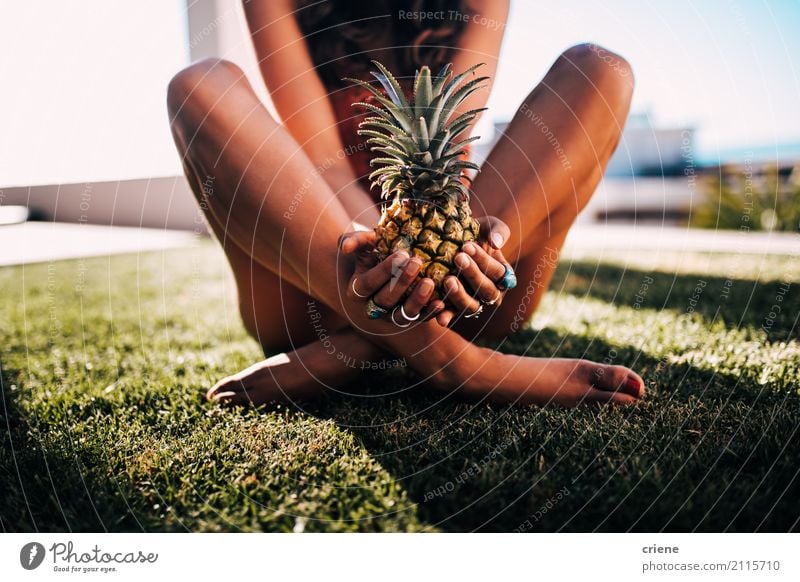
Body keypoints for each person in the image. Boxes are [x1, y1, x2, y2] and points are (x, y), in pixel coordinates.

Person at [166, 0, 645, 407]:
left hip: (471, 287)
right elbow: (325, 162)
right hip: (324, 285)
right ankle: (454, 362)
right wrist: (387, 254)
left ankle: (360, 347)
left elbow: (449, 153)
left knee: (601, 71)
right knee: (201, 87)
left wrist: (436, 251)